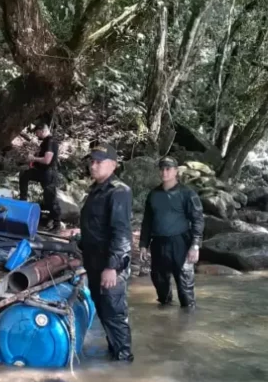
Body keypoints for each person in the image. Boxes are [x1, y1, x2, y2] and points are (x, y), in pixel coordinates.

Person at [77, 143, 134, 362]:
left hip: (110, 265)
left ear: (113, 165)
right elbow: (95, 227)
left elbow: (121, 232)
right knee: (103, 311)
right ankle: (115, 355)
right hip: (94, 262)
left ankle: (123, 360)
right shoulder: (95, 190)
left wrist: (112, 267)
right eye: (92, 161)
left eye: (99, 162)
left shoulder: (118, 191)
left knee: (114, 314)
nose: (93, 166)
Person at [139, 157, 204, 308]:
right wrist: (143, 244)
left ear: (176, 171)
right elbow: (147, 221)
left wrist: (195, 245)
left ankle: (187, 317)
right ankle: (164, 316)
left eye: (168, 169)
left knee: (185, 287)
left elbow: (198, 220)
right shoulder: (153, 194)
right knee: (160, 283)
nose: (164, 172)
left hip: (180, 242)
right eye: (162, 169)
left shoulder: (187, 194)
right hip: (158, 243)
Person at [19, 122, 62, 231]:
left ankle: (56, 224)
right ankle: (23, 201)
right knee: (24, 174)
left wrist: (33, 158)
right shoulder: (46, 142)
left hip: (49, 173)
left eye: (37, 132)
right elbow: (42, 157)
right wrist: (33, 162)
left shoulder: (50, 141)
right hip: (41, 171)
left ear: (43, 131)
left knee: (50, 198)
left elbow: (47, 160)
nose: (37, 135)